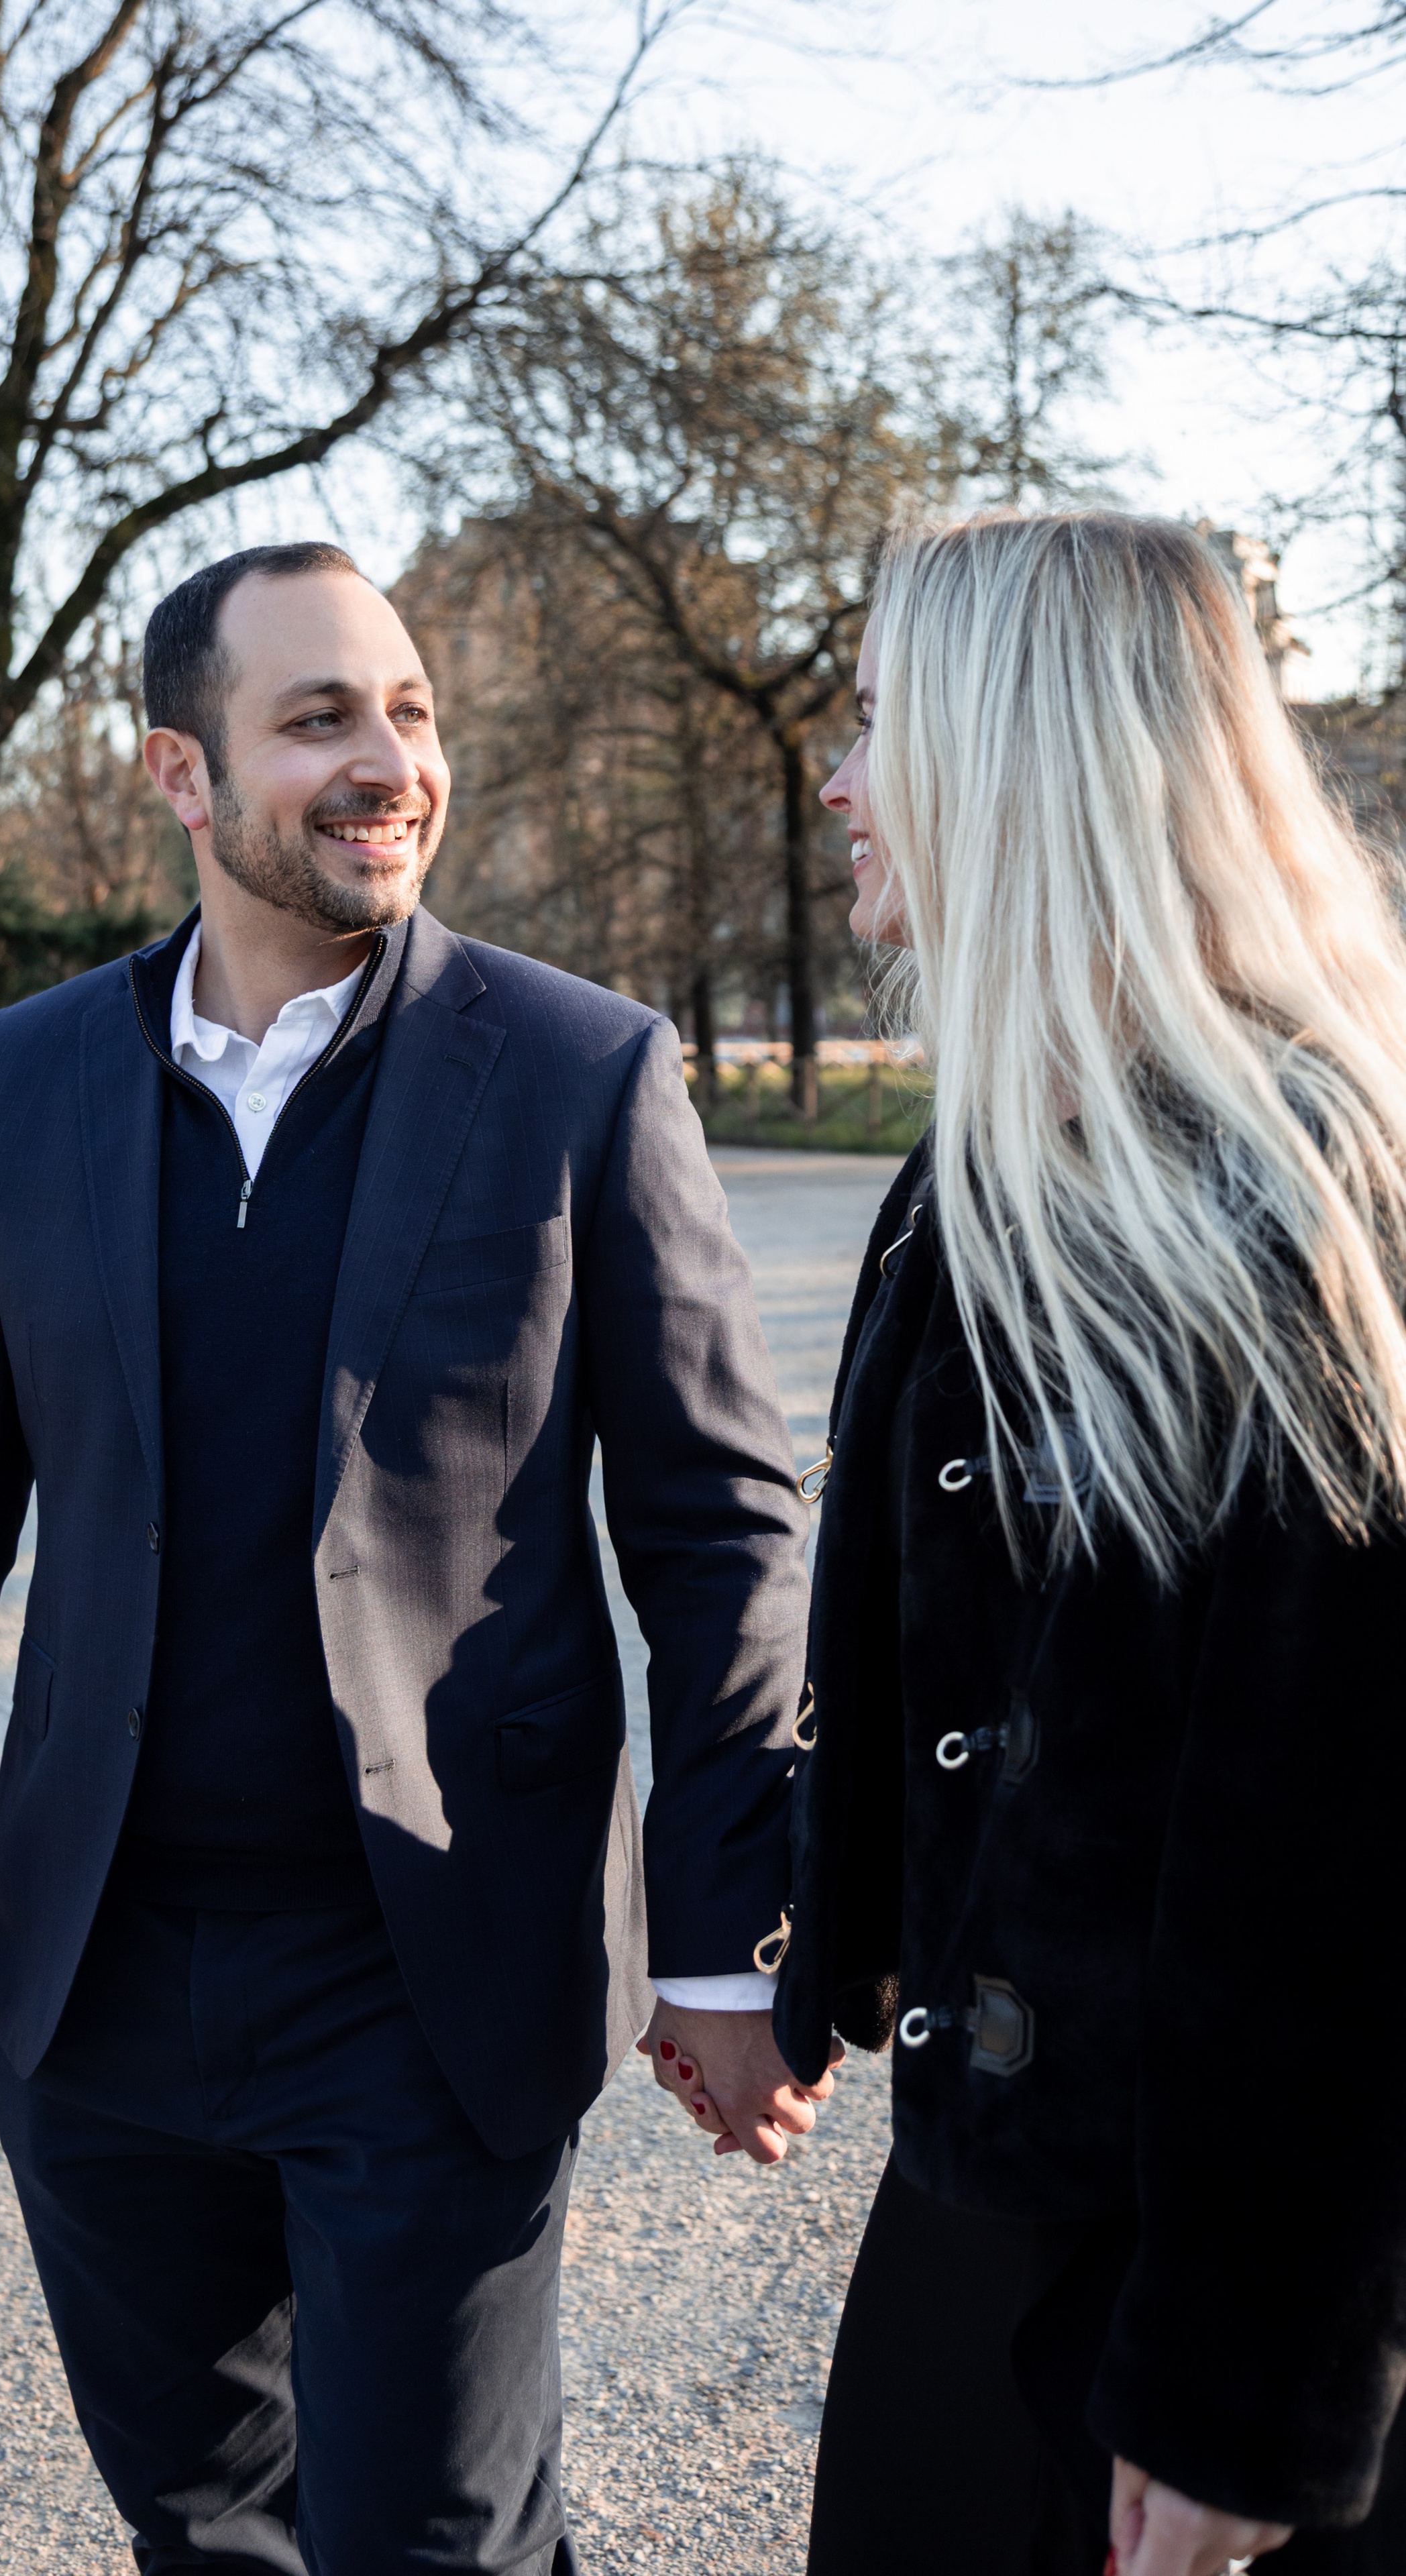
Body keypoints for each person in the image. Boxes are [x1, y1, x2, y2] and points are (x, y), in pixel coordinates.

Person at [0, 541, 836, 2575]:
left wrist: (721, 1947)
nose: (391, 762)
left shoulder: (585, 1071)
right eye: (322, 717)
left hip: (432, 1966)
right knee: (199, 2529)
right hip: (99, 1988)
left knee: (435, 2542)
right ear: (181, 773)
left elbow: (715, 1527)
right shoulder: (29, 1078)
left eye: (412, 712)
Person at [653, 513, 1406, 2573]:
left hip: (1206, 2260)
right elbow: (931, 1661)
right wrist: (802, 1955)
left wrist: (1252, 2388)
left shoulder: (1295, 1204)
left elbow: (1341, 1859)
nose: (837, 777)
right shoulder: (978, 1173)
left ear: (1021, 756)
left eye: (881, 720)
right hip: (986, 2195)